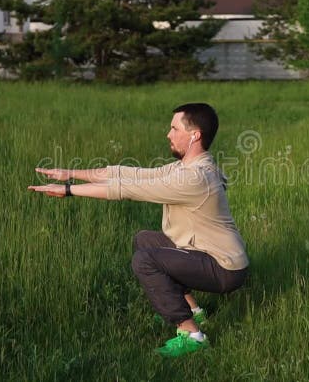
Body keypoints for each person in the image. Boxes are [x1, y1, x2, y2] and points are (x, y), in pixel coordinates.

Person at [28, 103, 248, 357]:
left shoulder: (194, 177)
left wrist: (68, 191)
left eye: (174, 128)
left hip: (224, 267)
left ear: (194, 135)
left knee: (146, 260)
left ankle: (193, 335)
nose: (168, 134)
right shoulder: (186, 168)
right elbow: (132, 175)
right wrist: (70, 174)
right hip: (204, 254)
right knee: (146, 240)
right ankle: (194, 312)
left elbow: (126, 189)